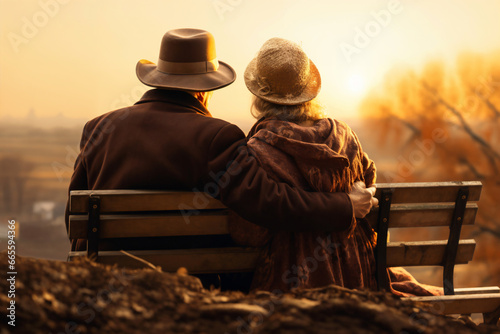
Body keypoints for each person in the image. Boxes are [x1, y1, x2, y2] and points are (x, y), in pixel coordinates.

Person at [65, 29, 377, 288]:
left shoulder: (99, 127)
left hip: (100, 277)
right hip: (187, 283)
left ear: (158, 77)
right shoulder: (216, 136)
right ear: (204, 91)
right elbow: (271, 203)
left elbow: (74, 215)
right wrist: (345, 206)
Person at [229, 37, 442, 296]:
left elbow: (251, 234)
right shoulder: (345, 136)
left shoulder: (259, 150)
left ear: (260, 97)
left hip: (294, 278)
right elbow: (368, 193)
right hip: (360, 270)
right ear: (307, 91)